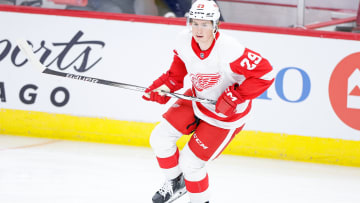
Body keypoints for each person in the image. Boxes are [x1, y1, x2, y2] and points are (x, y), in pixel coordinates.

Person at [142, 0, 274, 202]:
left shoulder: (230, 49)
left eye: (205, 24)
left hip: (225, 116)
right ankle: (175, 183)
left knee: (190, 164)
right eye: (195, 23)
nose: (199, 29)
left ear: (215, 24)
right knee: (160, 138)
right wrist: (163, 87)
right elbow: (176, 74)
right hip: (197, 100)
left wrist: (234, 96)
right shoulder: (183, 41)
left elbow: (265, 73)